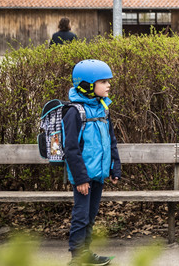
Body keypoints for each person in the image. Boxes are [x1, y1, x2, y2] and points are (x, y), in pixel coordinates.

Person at [65, 59, 122, 266]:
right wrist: (80, 178)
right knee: (80, 216)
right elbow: (71, 148)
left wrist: (115, 167)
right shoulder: (75, 112)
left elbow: (111, 140)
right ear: (88, 85)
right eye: (103, 81)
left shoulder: (102, 108)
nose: (108, 85)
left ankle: (86, 252)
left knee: (90, 215)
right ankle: (76, 256)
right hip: (83, 176)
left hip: (98, 173)